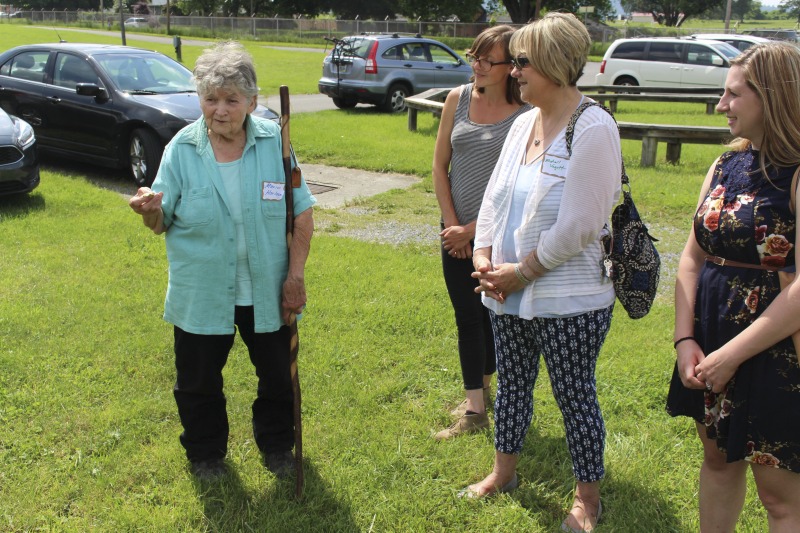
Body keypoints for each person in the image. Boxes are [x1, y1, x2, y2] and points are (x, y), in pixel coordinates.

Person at [462, 13, 621, 533]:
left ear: (554, 64)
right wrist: (484, 253)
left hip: (568, 300)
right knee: (511, 386)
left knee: (574, 395)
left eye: (524, 61)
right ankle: (502, 473)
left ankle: (587, 499)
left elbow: (580, 224)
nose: (515, 71)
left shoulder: (593, 126)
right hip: (505, 292)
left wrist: (522, 272)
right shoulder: (525, 121)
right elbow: (494, 196)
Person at [128, 41, 315, 480]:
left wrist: (295, 275)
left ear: (252, 101)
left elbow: (302, 213)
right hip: (203, 289)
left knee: (276, 377)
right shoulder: (181, 150)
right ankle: (206, 455)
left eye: (232, 99)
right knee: (197, 382)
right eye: (211, 98)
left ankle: (276, 448)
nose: (220, 109)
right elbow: (160, 221)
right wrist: (151, 209)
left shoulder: (276, 144)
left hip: (266, 288)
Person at [667, 42, 800, 531]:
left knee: (780, 496)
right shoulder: (726, 164)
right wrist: (686, 341)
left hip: (777, 349)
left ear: (773, 97)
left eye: (733, 94)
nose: (721, 105)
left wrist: (731, 356)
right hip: (711, 338)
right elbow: (690, 257)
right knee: (719, 462)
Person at [432, 25, 530, 440]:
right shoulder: (458, 98)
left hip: (498, 234)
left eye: (489, 60)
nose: (478, 65)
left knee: (493, 316)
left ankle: (485, 394)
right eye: (475, 56)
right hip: (454, 231)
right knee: (466, 317)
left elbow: (518, 186)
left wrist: (474, 231)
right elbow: (440, 166)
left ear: (512, 67)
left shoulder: (527, 114)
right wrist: (453, 225)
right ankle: (475, 406)